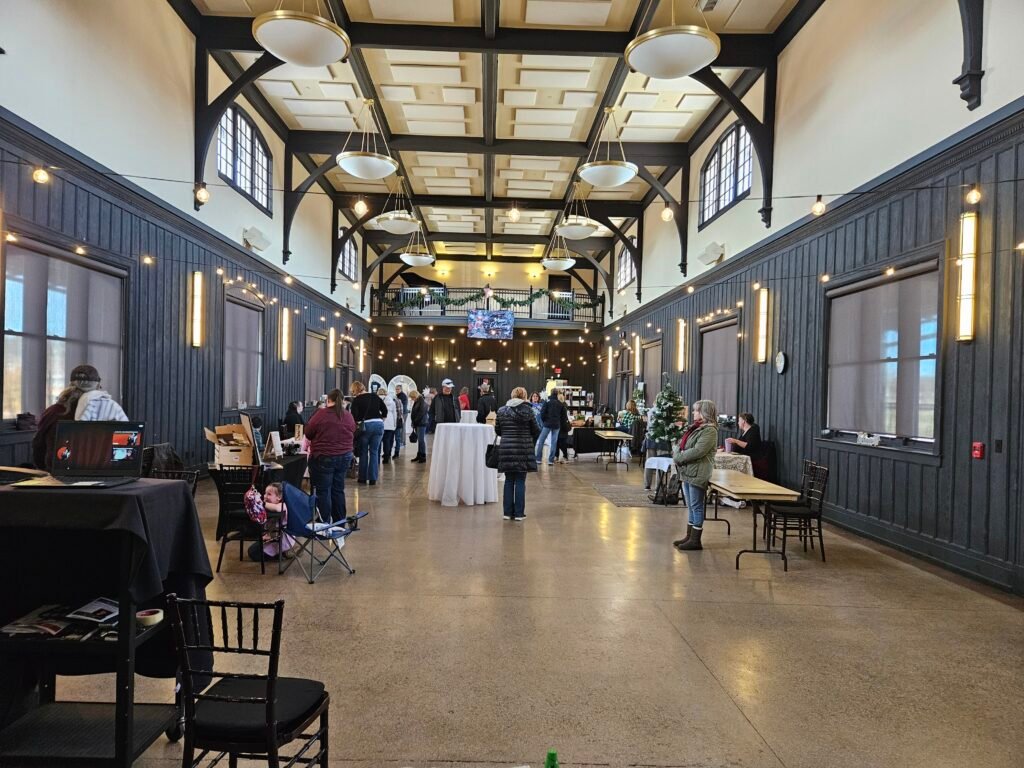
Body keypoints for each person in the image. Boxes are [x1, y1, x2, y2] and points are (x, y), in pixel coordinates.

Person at [32, 364, 127, 471]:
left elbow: (38, 446)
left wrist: (45, 470)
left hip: (58, 474)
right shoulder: (109, 409)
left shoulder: (53, 412)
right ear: (98, 386)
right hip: (103, 471)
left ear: (69, 385)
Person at [672, 399, 720, 552]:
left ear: (704, 412)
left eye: (696, 410)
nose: (693, 413)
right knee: (691, 506)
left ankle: (695, 540)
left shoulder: (710, 430)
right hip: (688, 471)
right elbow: (683, 445)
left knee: (697, 506)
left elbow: (698, 451)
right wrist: (679, 451)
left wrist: (679, 456)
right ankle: (689, 535)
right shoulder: (696, 428)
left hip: (698, 472)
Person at [304, 388, 356, 524]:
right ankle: (340, 523)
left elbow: (308, 432)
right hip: (345, 456)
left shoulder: (321, 414)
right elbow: (353, 430)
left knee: (323, 491)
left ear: (328, 400)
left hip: (323, 456)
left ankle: (324, 524)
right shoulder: (347, 415)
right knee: (338, 490)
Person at [494, 386, 540, 521]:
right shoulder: (529, 410)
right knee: (520, 481)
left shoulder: (502, 411)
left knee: (508, 481)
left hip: (506, 449)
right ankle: (519, 514)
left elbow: (498, 430)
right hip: (523, 449)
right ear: (525, 396)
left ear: (512, 395)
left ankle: (507, 513)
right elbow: (536, 430)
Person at [350, 380, 387, 485]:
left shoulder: (356, 400)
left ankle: (362, 478)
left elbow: (354, 417)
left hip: (366, 426)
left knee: (363, 452)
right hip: (379, 424)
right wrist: (381, 420)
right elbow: (385, 410)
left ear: (355, 390)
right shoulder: (375, 396)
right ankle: (373, 478)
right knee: (374, 452)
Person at [247, 482, 296, 561]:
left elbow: (277, 508)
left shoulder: (283, 505)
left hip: (284, 541)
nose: (265, 496)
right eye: (265, 493)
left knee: (254, 554)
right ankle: (280, 553)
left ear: (279, 497)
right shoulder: (269, 506)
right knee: (252, 549)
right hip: (273, 538)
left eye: (269, 494)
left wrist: (261, 503)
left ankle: (282, 553)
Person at [536, 388, 566, 467]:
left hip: (547, 424)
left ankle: (538, 459)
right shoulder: (560, 404)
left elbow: (542, 413)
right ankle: (551, 460)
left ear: (551, 393)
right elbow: (564, 417)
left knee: (541, 441)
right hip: (556, 425)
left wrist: (544, 421)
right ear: (557, 394)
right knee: (554, 442)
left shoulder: (547, 402)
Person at [408, 388, 428, 463]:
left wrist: (415, 422)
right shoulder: (417, 401)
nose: (412, 399)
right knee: (420, 440)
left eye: (412, 397)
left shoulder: (422, 401)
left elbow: (421, 414)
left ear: (415, 395)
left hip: (421, 423)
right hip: (418, 423)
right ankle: (419, 455)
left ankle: (423, 456)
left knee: (421, 440)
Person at [380, 387, 398, 465]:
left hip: (382, 422)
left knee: (381, 441)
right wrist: (395, 424)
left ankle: (383, 456)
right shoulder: (392, 401)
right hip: (390, 422)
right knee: (388, 440)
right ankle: (387, 455)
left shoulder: (377, 400)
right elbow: (395, 414)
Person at [393, 384, 408, 459]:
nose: (397, 390)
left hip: (403, 413)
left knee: (402, 427)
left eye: (398, 389)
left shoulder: (402, 396)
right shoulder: (398, 395)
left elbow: (402, 406)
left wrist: (401, 415)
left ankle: (402, 442)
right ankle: (402, 442)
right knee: (401, 428)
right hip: (402, 413)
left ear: (401, 389)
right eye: (396, 389)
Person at [556, 396, 572, 463]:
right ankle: (559, 456)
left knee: (561, 443)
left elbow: (564, 419)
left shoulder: (562, 407)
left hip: (562, 428)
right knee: (559, 443)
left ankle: (564, 457)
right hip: (561, 428)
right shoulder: (564, 406)